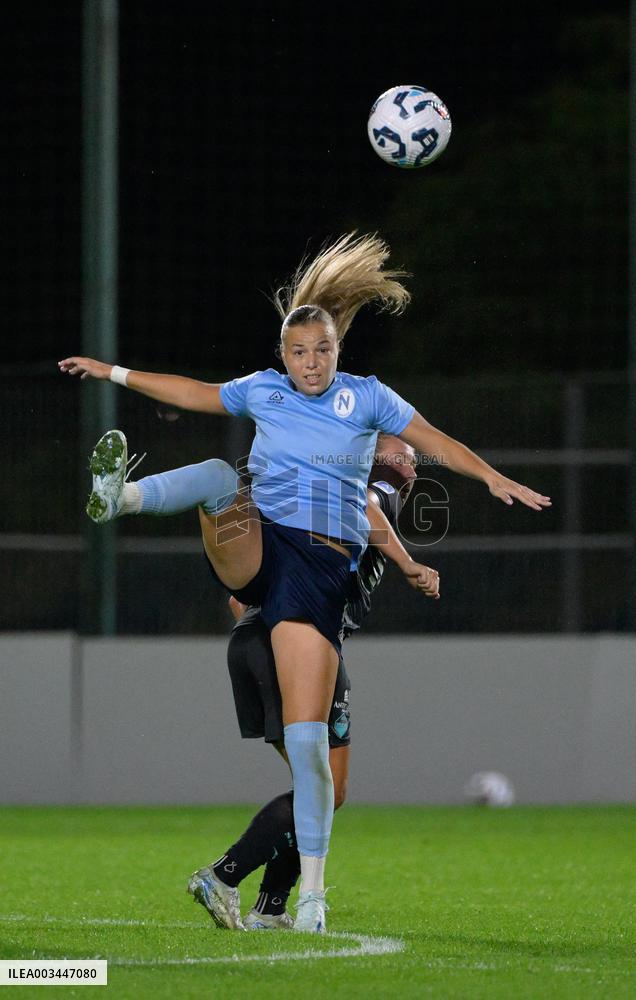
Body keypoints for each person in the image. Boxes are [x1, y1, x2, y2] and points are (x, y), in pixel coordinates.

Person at [59, 232, 550, 933]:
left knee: (311, 749)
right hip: (263, 547)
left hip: (312, 579)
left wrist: (492, 477)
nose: (312, 362)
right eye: (299, 352)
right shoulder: (263, 390)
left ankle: (303, 899)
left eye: (322, 351)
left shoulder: (367, 402)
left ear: (337, 353)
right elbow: (195, 393)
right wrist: (112, 372)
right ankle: (121, 498)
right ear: (283, 356)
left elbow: (434, 441)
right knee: (221, 480)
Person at [196, 435, 417, 931]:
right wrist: (407, 565)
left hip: (256, 642)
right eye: (407, 456)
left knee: (314, 786)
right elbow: (366, 501)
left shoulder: (317, 504)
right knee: (327, 790)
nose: (414, 467)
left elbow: (241, 596)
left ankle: (271, 906)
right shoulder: (370, 489)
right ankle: (224, 876)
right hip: (298, 647)